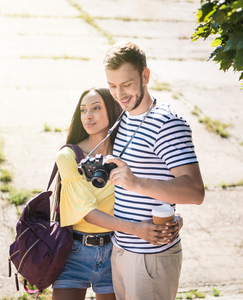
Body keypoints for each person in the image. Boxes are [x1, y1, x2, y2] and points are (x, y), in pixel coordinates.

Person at [51, 87, 183, 300]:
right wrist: (137, 229)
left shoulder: (126, 154)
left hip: (115, 251)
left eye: (96, 108)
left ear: (112, 111)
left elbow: (148, 192)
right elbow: (86, 212)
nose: (88, 116)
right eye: (83, 110)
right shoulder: (68, 155)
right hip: (75, 252)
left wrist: (173, 218)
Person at [104, 41, 205, 300]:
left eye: (126, 84)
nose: (119, 94)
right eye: (113, 86)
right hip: (122, 249)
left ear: (145, 76)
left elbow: (195, 191)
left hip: (151, 257)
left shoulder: (167, 123)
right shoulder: (123, 117)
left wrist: (135, 182)